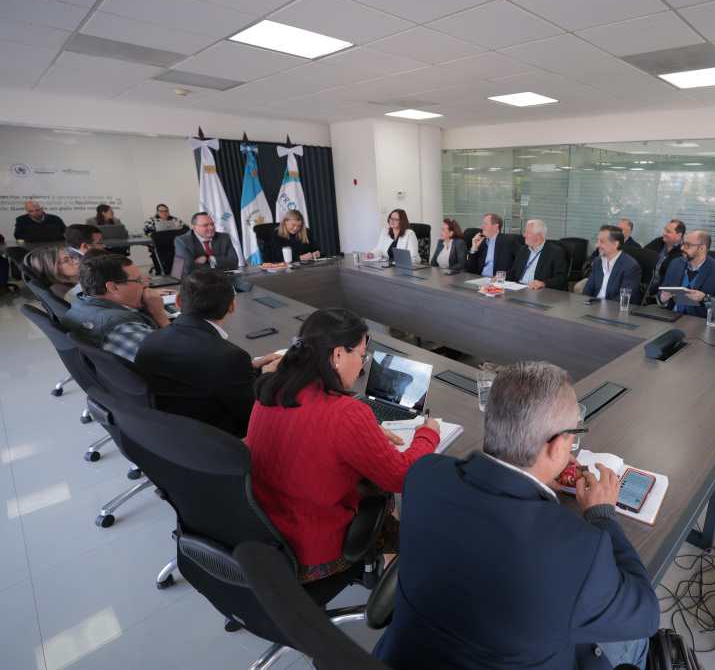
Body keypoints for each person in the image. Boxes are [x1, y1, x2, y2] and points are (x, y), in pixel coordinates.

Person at [375, 361, 659, 670]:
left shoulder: (424, 475)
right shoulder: (578, 549)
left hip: (405, 657)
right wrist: (602, 515)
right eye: (572, 435)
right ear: (557, 446)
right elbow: (646, 614)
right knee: (635, 643)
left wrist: (538, 477)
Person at [246, 308, 440, 583]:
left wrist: (366, 436)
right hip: (311, 552)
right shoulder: (345, 413)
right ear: (338, 355)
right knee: (380, 489)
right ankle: (395, 581)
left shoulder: (271, 389)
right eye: (361, 356)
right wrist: (428, 434)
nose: (362, 367)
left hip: (265, 534)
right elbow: (401, 477)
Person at [135, 269, 281, 437]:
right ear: (232, 306)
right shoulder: (228, 356)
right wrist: (266, 375)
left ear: (178, 301)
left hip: (167, 433)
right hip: (218, 437)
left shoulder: (151, 339)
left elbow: (199, 373)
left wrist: (249, 367)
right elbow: (252, 412)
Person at [62, 254, 171, 362]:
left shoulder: (79, 305)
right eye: (139, 281)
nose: (145, 285)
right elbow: (176, 355)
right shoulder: (122, 326)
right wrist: (159, 314)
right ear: (113, 287)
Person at [659, 230, 715, 317]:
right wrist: (663, 298)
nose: (682, 248)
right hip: (672, 317)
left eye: (687, 245)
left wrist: (704, 298)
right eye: (682, 244)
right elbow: (663, 292)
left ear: (702, 248)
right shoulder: (675, 263)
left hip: (698, 321)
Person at [583, 225, 642, 303]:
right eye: (597, 241)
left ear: (615, 244)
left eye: (602, 241)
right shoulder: (598, 261)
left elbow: (624, 298)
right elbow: (587, 291)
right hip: (594, 305)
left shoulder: (631, 266)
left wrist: (601, 307)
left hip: (613, 308)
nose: (597, 245)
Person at [508, 219, 568, 290]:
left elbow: (561, 278)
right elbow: (513, 273)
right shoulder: (523, 250)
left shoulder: (555, 252)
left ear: (538, 236)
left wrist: (543, 283)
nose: (524, 235)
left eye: (528, 233)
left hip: (538, 291)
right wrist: (500, 277)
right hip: (519, 288)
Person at [173, 211, 239, 276]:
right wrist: (219, 266)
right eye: (205, 225)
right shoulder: (182, 241)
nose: (211, 227)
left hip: (221, 279)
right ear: (194, 227)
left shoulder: (224, 237)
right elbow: (188, 268)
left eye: (212, 224)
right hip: (192, 280)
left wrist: (210, 259)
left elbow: (234, 261)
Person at [643, 219, 685, 300]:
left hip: (662, 294)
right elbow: (642, 257)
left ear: (679, 235)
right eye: (665, 230)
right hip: (644, 285)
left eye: (668, 232)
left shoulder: (683, 252)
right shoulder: (658, 241)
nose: (664, 233)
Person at [467, 213, 517, 277]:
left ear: (495, 227)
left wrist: (503, 276)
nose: (482, 227)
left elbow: (518, 266)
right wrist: (474, 248)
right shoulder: (481, 242)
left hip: (497, 280)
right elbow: (470, 270)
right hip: (480, 279)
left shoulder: (508, 242)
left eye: (485, 224)